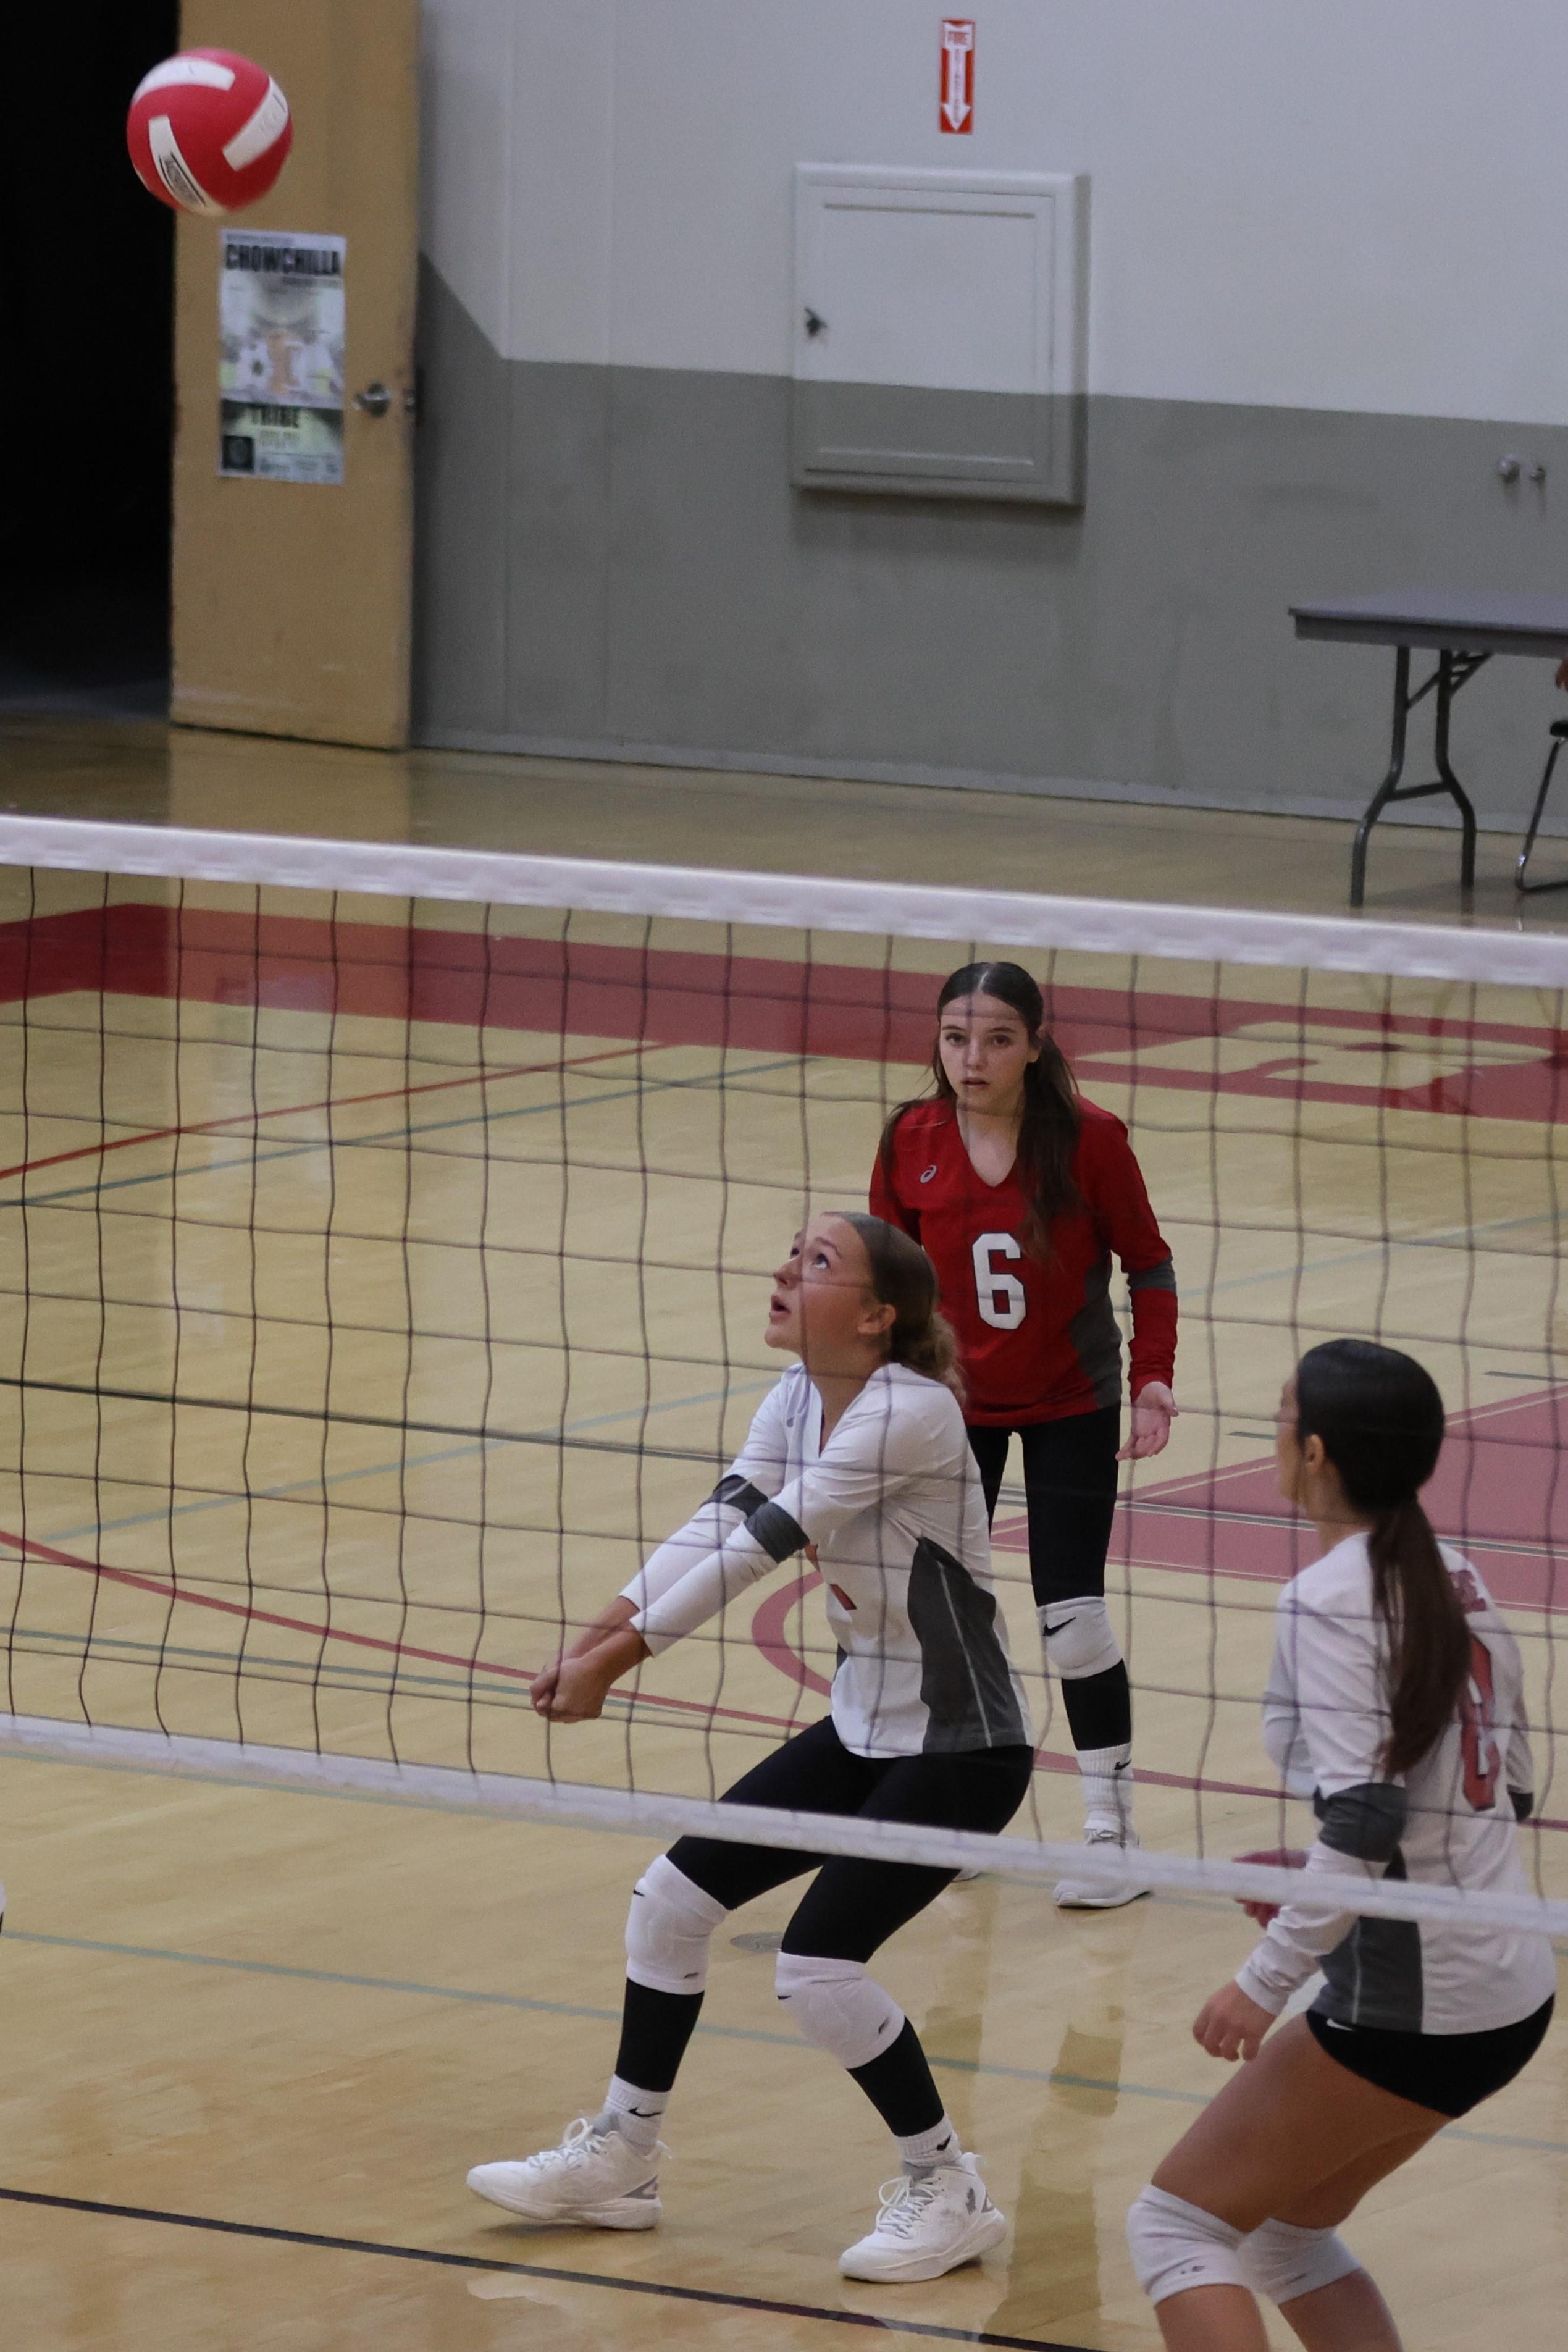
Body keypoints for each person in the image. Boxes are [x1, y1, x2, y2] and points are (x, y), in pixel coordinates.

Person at [467, 1210, 1035, 2285]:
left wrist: (614, 1669)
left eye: (817, 1264)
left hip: (962, 1747)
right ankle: (624, 2160)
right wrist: (589, 1638)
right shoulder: (797, 1397)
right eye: (794, 1253)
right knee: (671, 1904)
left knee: (817, 1964)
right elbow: (714, 1524)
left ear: (876, 1318)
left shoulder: (908, 1414)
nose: (785, 1271)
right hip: (868, 1726)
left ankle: (948, 2186)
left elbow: (765, 1550)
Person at [1126, 1340, 1555, 2351]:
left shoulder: (1326, 1601)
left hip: (1420, 2004)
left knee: (1177, 2224)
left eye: (1281, 1416)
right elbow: (1515, 1791)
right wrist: (1341, 1897)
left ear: (1314, 1452)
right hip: (1508, 1989)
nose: (1271, 1433)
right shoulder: (1459, 1577)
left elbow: (1368, 1822)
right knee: (1285, 2238)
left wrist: (1266, 1982)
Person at [870, 960, 1176, 1905]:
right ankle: (961, 1817)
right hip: (950, 1409)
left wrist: (1154, 1381)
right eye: (957, 1037)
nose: (973, 1057)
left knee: (1072, 1617)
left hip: (1072, 1403)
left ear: (1036, 1047)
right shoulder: (912, 1139)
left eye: (998, 1038)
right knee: (945, 1617)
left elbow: (1150, 1267)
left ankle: (1109, 1834)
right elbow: (881, 1285)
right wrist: (873, 1398)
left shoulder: (1089, 1141)